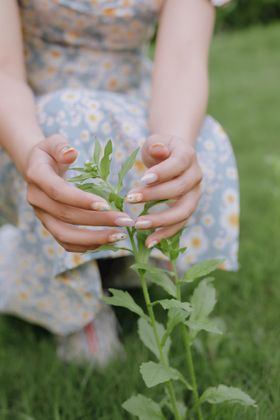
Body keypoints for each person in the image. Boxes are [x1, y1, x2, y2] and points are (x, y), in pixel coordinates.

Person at [0, 0, 238, 365]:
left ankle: (125, 256)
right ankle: (77, 307)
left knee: (203, 140)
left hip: (133, 103)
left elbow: (182, 64)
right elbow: (4, 74)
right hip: (26, 122)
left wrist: (172, 146)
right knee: (67, 123)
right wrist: (30, 151)